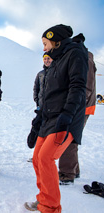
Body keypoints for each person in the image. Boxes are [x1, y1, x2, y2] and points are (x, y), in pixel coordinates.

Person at [24, 24, 88, 212]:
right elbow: (48, 95)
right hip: (49, 119)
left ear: (55, 40)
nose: (43, 48)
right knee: (37, 158)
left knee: (46, 158)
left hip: (65, 119)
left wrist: (68, 114)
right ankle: (44, 198)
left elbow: (77, 87)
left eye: (45, 43)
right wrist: (36, 123)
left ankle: (50, 207)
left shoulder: (75, 54)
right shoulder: (55, 61)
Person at [58, 40, 97, 185]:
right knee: (71, 138)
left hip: (81, 107)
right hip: (81, 106)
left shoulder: (83, 58)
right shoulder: (83, 57)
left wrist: (74, 106)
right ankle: (74, 170)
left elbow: (86, 87)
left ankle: (66, 174)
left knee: (68, 138)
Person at [27, 53, 53, 161]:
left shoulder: (56, 72)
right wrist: (37, 102)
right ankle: (37, 154)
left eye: (49, 59)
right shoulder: (40, 74)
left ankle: (44, 155)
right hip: (41, 107)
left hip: (52, 108)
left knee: (48, 132)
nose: (47, 61)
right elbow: (36, 89)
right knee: (38, 129)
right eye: (45, 59)